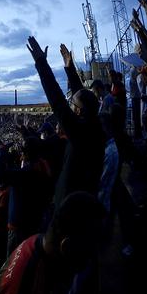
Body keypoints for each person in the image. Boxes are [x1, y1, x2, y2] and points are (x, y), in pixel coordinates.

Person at [28, 37, 104, 207]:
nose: (70, 105)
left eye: (73, 105)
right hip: (81, 197)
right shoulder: (93, 123)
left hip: (72, 208)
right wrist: (70, 69)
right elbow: (82, 97)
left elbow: (57, 100)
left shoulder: (80, 132)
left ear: (78, 111)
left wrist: (41, 63)